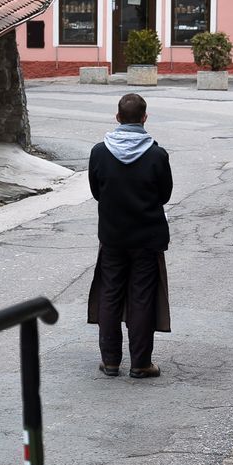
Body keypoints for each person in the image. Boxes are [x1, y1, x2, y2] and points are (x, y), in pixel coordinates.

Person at [87, 92, 172, 378]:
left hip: (112, 235)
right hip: (147, 238)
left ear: (118, 118)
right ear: (145, 119)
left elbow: (97, 192)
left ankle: (110, 361)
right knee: (142, 297)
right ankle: (141, 363)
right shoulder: (157, 155)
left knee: (110, 294)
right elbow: (165, 195)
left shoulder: (100, 152)